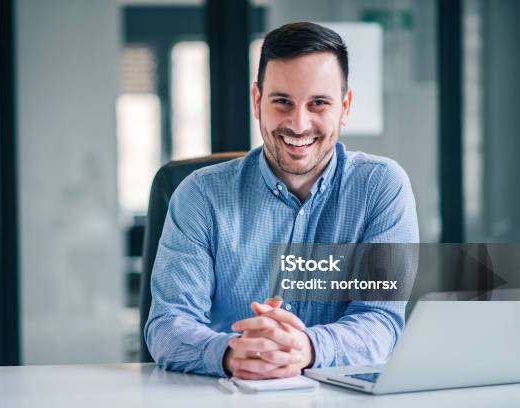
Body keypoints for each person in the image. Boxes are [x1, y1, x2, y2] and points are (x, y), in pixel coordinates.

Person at [145, 21, 419, 379]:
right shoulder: (200, 196)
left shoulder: (382, 187)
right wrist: (233, 353)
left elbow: (381, 321)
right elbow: (168, 325)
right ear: (257, 101)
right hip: (227, 396)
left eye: (318, 103)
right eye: (282, 102)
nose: (299, 123)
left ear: (345, 106)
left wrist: (305, 347)